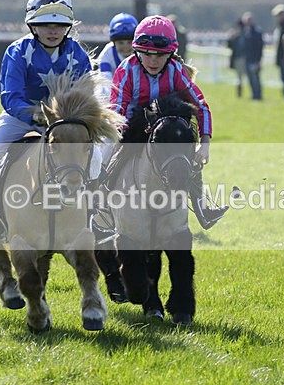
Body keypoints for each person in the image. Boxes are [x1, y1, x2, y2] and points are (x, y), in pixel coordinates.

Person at [0, 0, 92, 253]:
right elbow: (10, 97)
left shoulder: (78, 55)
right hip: (22, 118)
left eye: (60, 25)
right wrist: (36, 114)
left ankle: (93, 216)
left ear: (68, 27)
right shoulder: (17, 51)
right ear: (33, 26)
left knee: (95, 158)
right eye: (45, 25)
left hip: (64, 123)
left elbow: (87, 95)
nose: (53, 31)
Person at [110, 15, 227, 229]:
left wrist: (205, 144)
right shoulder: (126, 70)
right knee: (108, 154)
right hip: (133, 126)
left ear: (171, 54)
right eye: (147, 54)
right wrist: (122, 137)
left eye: (160, 56)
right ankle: (100, 205)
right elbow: (117, 110)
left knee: (187, 153)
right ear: (137, 51)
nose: (153, 61)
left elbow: (201, 105)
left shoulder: (175, 70)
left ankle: (202, 207)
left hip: (166, 127)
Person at [96, 12, 138, 83]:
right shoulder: (107, 54)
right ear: (114, 43)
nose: (126, 47)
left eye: (129, 42)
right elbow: (105, 83)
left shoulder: (142, 54)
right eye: (121, 43)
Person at [241, 12, 264, 100]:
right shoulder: (245, 31)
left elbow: (259, 47)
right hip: (247, 59)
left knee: (256, 79)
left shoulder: (257, 32)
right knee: (250, 79)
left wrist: (258, 60)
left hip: (254, 59)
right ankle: (254, 95)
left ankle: (258, 95)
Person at [226, 19, 246, 97]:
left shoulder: (244, 35)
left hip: (243, 59)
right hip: (238, 59)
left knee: (240, 78)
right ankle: (239, 94)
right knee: (239, 78)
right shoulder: (235, 36)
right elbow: (229, 45)